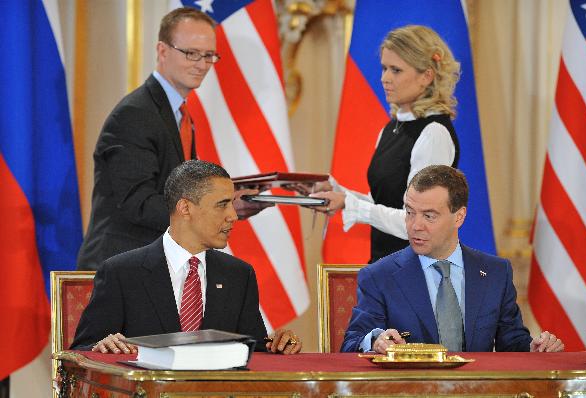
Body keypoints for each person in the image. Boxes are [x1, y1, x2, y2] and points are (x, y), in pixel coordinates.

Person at [77, 7, 268, 271]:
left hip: (150, 268)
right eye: (191, 53)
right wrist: (214, 210)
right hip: (119, 271)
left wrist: (227, 201)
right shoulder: (135, 114)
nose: (202, 65)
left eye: (209, 55)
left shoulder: (176, 113)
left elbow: (177, 192)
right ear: (162, 51)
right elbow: (139, 203)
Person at [71, 160, 302, 355]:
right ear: (185, 208)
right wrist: (101, 348)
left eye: (231, 204)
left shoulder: (239, 275)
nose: (233, 216)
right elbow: (80, 353)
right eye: (222, 205)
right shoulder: (121, 273)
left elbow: (253, 353)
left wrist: (279, 346)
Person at [341, 165, 564, 353]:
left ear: (459, 216)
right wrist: (375, 340)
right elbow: (351, 344)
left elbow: (512, 342)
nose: (415, 225)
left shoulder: (496, 272)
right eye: (410, 212)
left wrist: (535, 349)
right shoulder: (379, 276)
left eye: (429, 216)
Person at [309, 25, 461, 263]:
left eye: (396, 70)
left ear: (426, 76)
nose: (384, 78)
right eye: (384, 68)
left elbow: (417, 223)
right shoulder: (391, 128)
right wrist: (339, 193)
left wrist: (351, 204)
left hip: (416, 274)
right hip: (385, 268)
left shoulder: (434, 133)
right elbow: (384, 203)